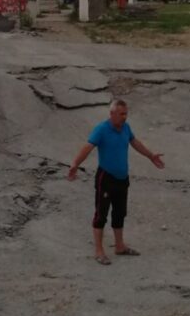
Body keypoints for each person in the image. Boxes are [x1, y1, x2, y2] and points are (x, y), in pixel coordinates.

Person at [67, 98, 164, 265]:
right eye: (121, 114)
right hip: (106, 178)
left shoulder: (126, 127)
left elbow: (134, 142)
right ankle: (99, 251)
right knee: (101, 214)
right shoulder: (102, 129)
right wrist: (75, 164)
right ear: (112, 114)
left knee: (120, 213)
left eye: (126, 113)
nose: (125, 117)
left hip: (122, 178)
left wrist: (150, 155)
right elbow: (87, 147)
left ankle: (120, 246)